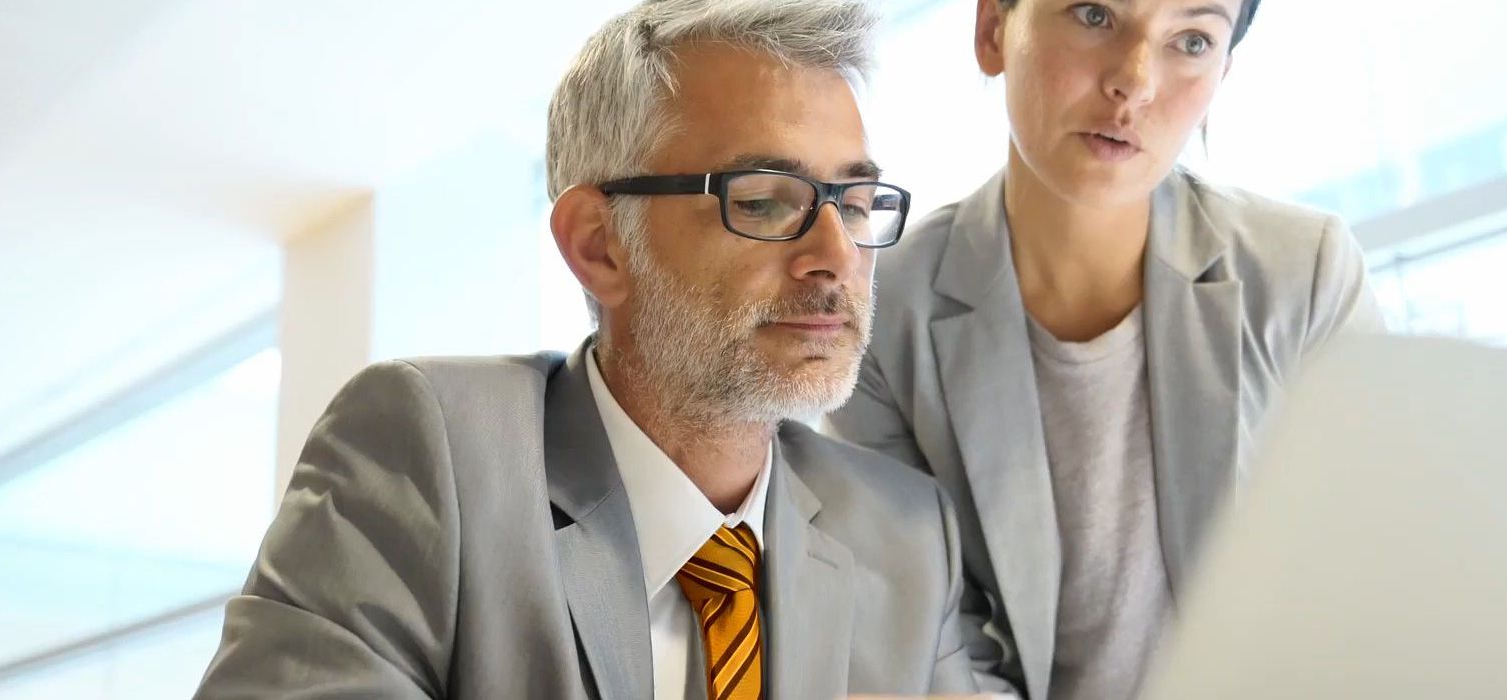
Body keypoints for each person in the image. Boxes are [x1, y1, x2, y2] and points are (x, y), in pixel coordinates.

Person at [196, 1, 983, 697]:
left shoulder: (904, 533)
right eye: (764, 201)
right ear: (599, 245)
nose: (836, 255)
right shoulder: (427, 453)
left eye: (854, 202)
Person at [827, 1, 1383, 698]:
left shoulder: (1307, 275)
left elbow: (1373, 584)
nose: (1135, 81)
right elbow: (935, 648)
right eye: (1093, 14)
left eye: (1191, 40)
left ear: (1223, 73)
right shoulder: (887, 315)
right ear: (993, 28)